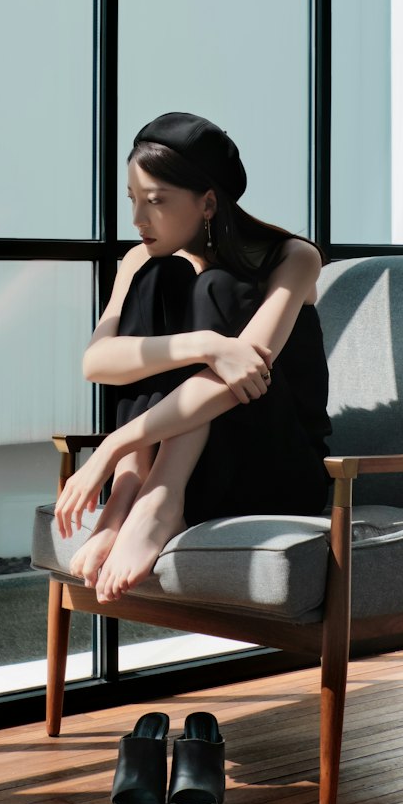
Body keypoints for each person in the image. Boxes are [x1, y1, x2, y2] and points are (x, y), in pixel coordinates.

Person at [54, 111, 331, 603]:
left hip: (272, 466)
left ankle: (158, 501)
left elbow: (243, 375)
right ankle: (129, 494)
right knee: (159, 278)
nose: (139, 220)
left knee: (217, 286)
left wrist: (115, 444)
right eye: (133, 201)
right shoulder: (142, 260)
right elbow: (97, 362)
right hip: (188, 467)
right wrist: (207, 344)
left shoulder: (292, 257)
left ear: (207, 202)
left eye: (156, 202)